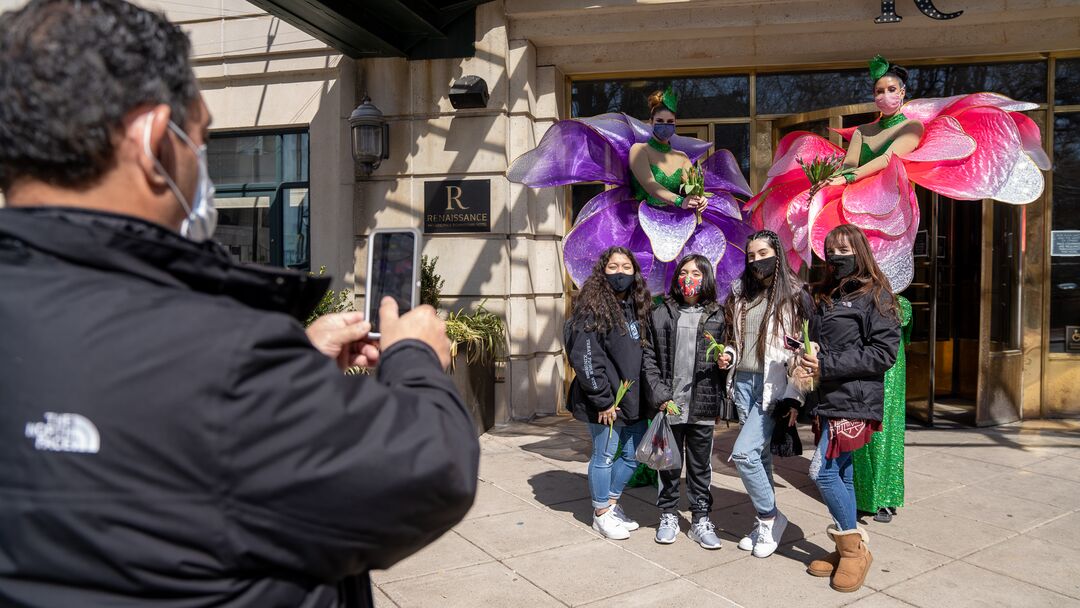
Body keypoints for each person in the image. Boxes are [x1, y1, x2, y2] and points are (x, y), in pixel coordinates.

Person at [0, 2, 478, 606]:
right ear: (154, 142)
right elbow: (429, 472)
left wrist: (291, 365)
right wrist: (416, 360)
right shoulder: (218, 356)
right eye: (198, 138)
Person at [748, 54, 1047, 294]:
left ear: (902, 93)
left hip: (889, 198)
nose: (885, 95)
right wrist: (826, 180)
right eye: (880, 91)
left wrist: (848, 178)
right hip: (855, 200)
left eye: (891, 90)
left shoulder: (911, 127)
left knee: (880, 278)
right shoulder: (863, 132)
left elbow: (890, 159)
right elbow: (849, 164)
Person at [508, 87, 753, 296]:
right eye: (660, 122)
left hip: (678, 226)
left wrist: (699, 202)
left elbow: (693, 187)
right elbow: (650, 185)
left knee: (678, 278)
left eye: (670, 123)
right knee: (640, 279)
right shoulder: (640, 150)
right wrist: (681, 200)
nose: (665, 127)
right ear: (651, 123)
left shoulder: (681, 157)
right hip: (639, 224)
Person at [794, 224, 901, 593]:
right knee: (842, 474)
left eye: (844, 248)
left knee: (822, 472)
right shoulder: (828, 295)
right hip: (828, 400)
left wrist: (829, 365)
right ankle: (845, 547)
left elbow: (883, 354)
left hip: (855, 400)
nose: (837, 255)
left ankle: (854, 553)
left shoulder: (877, 296)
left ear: (860, 250)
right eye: (830, 249)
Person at [724, 230, 809, 558]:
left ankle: (771, 516)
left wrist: (795, 396)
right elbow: (734, 339)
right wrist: (728, 355)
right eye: (751, 255)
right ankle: (765, 524)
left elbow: (804, 351)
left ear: (777, 253)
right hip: (743, 383)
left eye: (763, 253)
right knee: (759, 457)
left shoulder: (796, 295)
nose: (757, 260)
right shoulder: (740, 294)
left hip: (773, 389)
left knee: (743, 454)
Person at [642, 254, 734, 549]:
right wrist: (660, 396)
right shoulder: (661, 312)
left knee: (699, 467)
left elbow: (734, 349)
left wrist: (727, 360)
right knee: (668, 464)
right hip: (670, 405)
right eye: (683, 272)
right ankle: (668, 514)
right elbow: (649, 358)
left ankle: (700, 519)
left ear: (706, 277)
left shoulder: (718, 315)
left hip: (702, 406)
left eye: (696, 272)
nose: (689, 278)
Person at [566, 246, 652, 540]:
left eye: (626, 267)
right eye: (613, 267)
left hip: (633, 398)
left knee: (633, 454)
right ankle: (600, 513)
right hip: (605, 401)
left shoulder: (637, 306)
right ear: (603, 271)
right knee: (603, 455)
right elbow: (585, 356)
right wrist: (603, 400)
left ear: (635, 272)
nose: (620, 273)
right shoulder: (591, 308)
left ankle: (612, 504)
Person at [853, 295, 913, 523]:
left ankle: (883, 497)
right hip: (866, 369)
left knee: (885, 435)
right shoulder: (896, 304)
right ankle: (867, 495)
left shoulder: (899, 305)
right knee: (864, 433)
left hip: (888, 375)